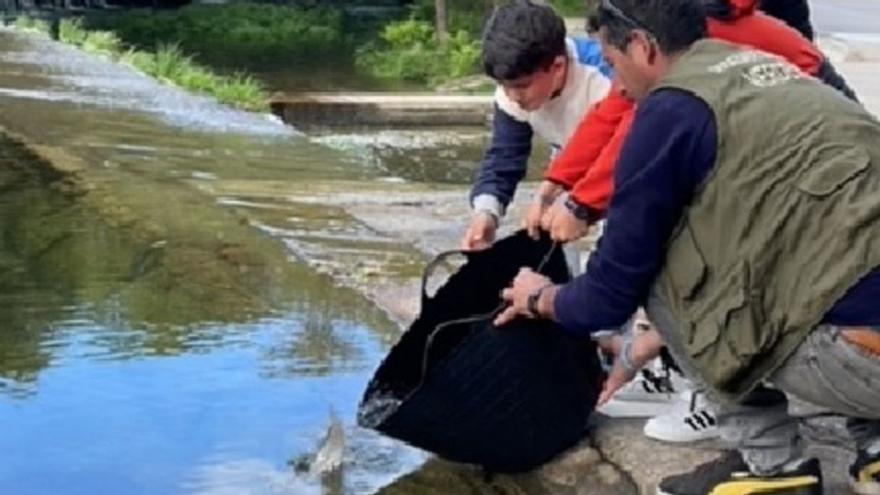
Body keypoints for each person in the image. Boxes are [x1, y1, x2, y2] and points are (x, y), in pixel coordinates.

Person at [494, 0, 880, 493]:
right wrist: (560, 187)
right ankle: (873, 451)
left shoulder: (670, 109)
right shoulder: (765, 69)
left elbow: (607, 296)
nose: (618, 86)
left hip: (865, 364)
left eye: (612, 66)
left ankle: (774, 466)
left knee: (665, 255)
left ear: (642, 46)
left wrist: (539, 298)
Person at [459, 0, 613, 251]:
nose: (512, 97)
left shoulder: (604, 80)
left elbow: (631, 159)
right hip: (567, 159)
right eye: (503, 85)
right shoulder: (511, 93)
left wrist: (580, 204)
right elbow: (504, 157)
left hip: (620, 158)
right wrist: (486, 213)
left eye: (521, 86)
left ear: (558, 67)